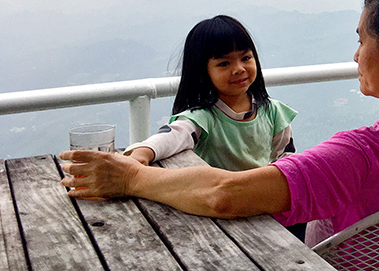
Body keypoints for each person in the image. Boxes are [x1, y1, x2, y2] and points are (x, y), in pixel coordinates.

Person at [59, 0, 379, 241]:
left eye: (362, 40)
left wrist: (131, 176)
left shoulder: (361, 154)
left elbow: (224, 195)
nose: (355, 55)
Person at [124, 15, 297, 172]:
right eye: (224, 63)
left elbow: (287, 161)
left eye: (245, 58)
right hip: (217, 199)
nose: (239, 69)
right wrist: (142, 153)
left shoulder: (273, 113)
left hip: (261, 199)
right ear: (202, 72)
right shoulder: (202, 119)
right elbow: (171, 136)